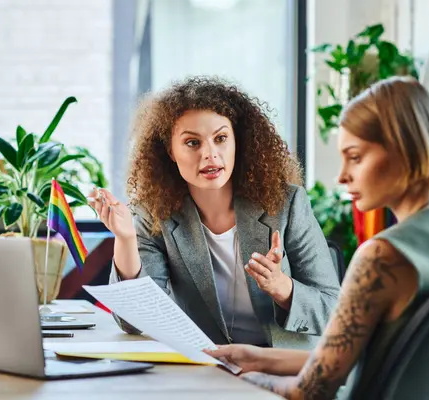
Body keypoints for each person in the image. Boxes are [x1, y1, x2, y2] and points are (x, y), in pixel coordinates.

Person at [204, 76, 429, 399]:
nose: (342, 175)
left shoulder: (383, 257)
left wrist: (245, 380)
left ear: (403, 148)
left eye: (355, 156)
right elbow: (357, 360)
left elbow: (312, 390)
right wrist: (258, 357)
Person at [89, 77, 340, 349]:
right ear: (170, 151)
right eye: (192, 143)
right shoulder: (155, 215)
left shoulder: (287, 204)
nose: (210, 154)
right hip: (208, 370)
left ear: (238, 142)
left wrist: (283, 288)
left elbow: (333, 310)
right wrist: (125, 239)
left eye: (220, 139)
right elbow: (137, 322)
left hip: (281, 373)